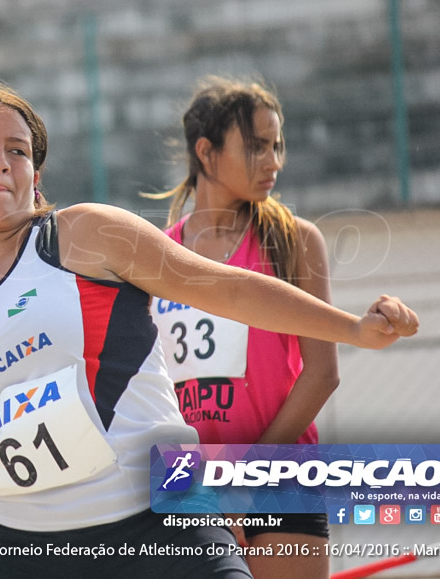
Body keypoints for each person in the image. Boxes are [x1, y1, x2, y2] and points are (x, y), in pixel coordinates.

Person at [0, 79, 417, 578]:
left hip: (162, 513)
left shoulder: (81, 235)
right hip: (25, 545)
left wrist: (353, 330)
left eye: (19, 150)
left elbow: (227, 287)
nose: (1, 161)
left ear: (35, 176)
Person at [145, 76, 338, 579]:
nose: (273, 161)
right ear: (205, 153)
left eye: (276, 146)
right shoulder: (152, 257)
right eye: (255, 147)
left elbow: (322, 375)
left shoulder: (294, 241)